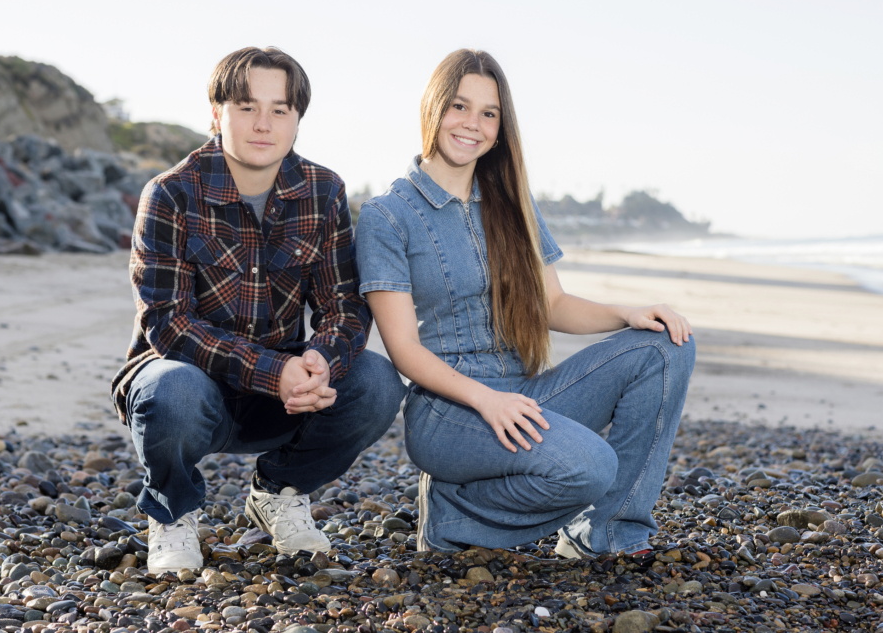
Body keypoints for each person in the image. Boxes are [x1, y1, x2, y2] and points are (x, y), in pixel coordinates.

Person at [354, 49, 695, 558]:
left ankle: (607, 532)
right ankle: (454, 517)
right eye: (459, 106)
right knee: (591, 466)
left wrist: (628, 314)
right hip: (449, 412)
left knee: (666, 347)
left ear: (501, 125)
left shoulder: (512, 202)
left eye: (488, 113)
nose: (473, 124)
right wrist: (486, 400)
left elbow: (552, 304)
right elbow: (403, 350)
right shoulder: (388, 216)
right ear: (433, 108)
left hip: (525, 394)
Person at [111, 47, 405, 574]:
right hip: (187, 389)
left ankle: (279, 490)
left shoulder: (322, 191)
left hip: (284, 397)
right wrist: (275, 372)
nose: (263, 124)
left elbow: (344, 307)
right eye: (246, 107)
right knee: (171, 392)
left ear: (297, 120)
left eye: (280, 110)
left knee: (377, 382)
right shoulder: (171, 194)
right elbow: (167, 324)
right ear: (216, 114)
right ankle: (173, 511)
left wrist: (319, 363)